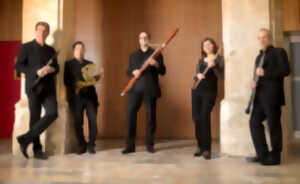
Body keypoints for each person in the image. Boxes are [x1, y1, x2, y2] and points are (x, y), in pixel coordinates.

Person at [15, 21, 59, 160]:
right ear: (36, 31)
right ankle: (37, 150)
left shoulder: (51, 50)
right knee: (35, 118)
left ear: (47, 33)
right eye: (39, 30)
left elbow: (57, 68)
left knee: (52, 113)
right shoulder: (26, 47)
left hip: (48, 88)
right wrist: (36, 71)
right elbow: (19, 67)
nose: (42, 32)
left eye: (45, 30)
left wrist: (50, 69)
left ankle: (25, 138)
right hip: (33, 88)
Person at [246, 28, 290, 166]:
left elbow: (285, 70)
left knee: (274, 126)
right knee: (253, 123)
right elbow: (258, 75)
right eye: (259, 38)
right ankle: (262, 154)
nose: (262, 40)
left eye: (264, 37)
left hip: (273, 97)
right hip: (259, 97)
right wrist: (254, 82)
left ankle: (276, 156)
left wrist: (266, 72)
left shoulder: (279, 52)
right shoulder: (258, 57)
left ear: (270, 38)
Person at [122, 32, 166, 154]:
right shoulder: (133, 55)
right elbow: (129, 70)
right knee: (130, 116)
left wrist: (156, 64)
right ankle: (130, 147)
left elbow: (163, 71)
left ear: (149, 39)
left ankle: (149, 145)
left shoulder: (156, 54)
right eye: (141, 37)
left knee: (150, 118)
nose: (143, 39)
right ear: (139, 40)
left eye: (145, 37)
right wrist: (133, 72)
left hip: (150, 90)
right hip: (135, 90)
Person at [64, 41, 100, 154]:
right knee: (78, 122)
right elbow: (66, 81)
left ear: (84, 51)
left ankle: (91, 145)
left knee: (93, 121)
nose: (80, 51)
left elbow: (95, 80)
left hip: (90, 98)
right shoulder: (68, 64)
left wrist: (99, 75)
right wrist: (77, 85)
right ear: (74, 51)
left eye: (82, 49)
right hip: (76, 98)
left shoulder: (90, 63)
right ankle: (82, 145)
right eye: (77, 49)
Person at [191, 38, 224, 160]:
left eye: (209, 43)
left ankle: (207, 149)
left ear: (213, 46)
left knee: (205, 117)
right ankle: (200, 146)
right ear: (202, 48)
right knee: (197, 118)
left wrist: (214, 66)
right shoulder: (200, 61)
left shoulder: (218, 59)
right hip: (196, 91)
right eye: (205, 44)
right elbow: (196, 77)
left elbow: (221, 76)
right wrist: (197, 75)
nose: (207, 46)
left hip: (209, 92)